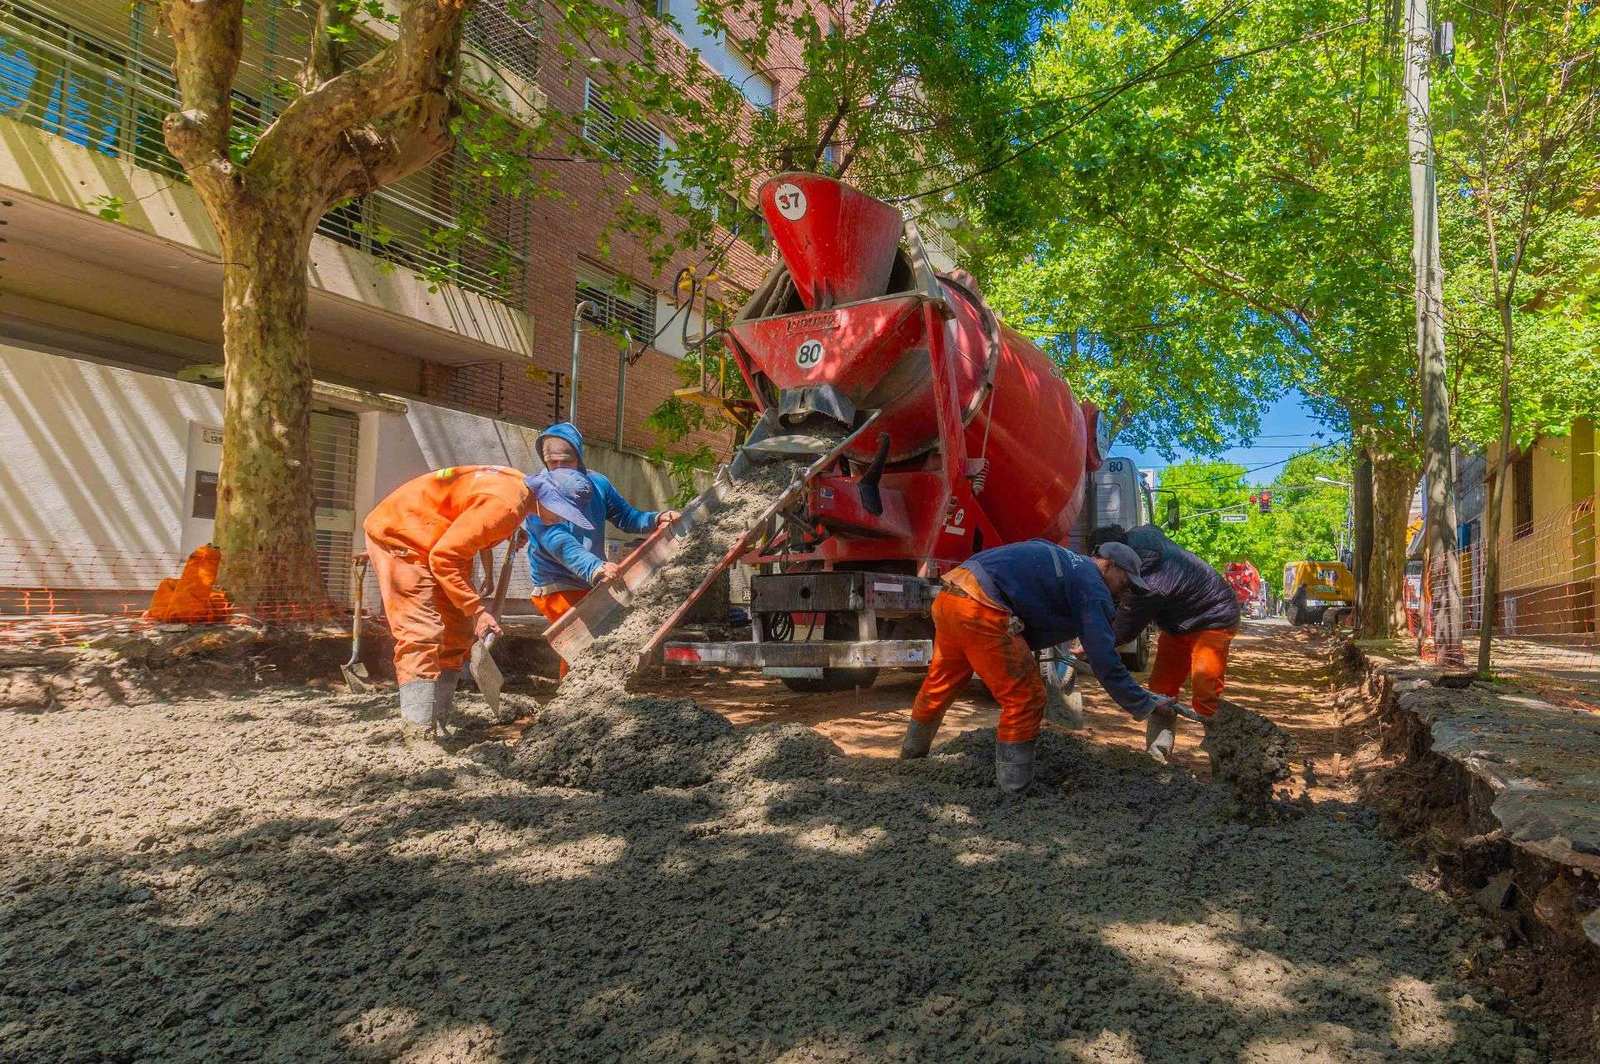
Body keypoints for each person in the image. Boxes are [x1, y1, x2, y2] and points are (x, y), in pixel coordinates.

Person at [899, 539, 1172, 792]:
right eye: (1125, 581)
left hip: (952, 595)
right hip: (982, 607)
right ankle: (1014, 790)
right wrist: (1144, 704)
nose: (1125, 591)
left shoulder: (1070, 563)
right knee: (1026, 698)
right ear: (1109, 565)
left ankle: (911, 758)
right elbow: (1107, 664)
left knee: (942, 683)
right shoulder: (1092, 585)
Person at [364, 465, 595, 736]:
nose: (562, 519)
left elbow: (470, 519)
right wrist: (478, 611)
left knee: (458, 633)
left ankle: (438, 721)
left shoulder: (517, 489)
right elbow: (444, 558)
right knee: (421, 632)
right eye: (562, 512)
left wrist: (505, 534)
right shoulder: (504, 507)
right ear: (548, 498)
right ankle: (418, 731)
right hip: (401, 535)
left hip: (435, 537)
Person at [523, 422, 679, 676]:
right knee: (579, 642)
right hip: (556, 582)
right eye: (553, 463)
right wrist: (594, 567)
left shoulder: (597, 484)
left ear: (579, 456)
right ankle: (573, 693)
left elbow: (626, 517)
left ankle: (586, 689)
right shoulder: (539, 492)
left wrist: (656, 518)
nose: (559, 468)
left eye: (566, 462)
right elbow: (557, 541)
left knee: (601, 638)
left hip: (592, 579)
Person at [1089, 523, 1242, 758]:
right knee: (1161, 688)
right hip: (1178, 623)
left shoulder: (1151, 580)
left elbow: (1125, 626)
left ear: (1113, 559)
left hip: (1213, 618)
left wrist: (1093, 644)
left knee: (1206, 692)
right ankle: (1157, 756)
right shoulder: (1135, 548)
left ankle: (1224, 760)